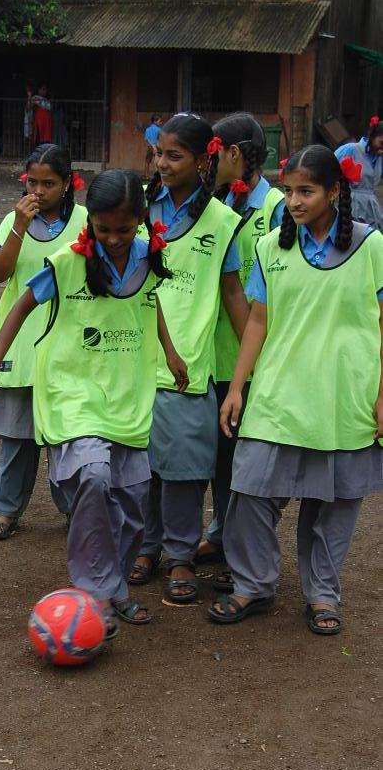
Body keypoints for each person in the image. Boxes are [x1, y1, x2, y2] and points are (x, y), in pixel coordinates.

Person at [0, 170, 188, 638]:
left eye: (123, 230)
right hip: (73, 394)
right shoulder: (67, 263)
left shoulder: (150, 257)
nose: (113, 239)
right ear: (91, 224)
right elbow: (20, 307)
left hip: (127, 397)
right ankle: (94, 592)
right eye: (103, 229)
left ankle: (114, 586)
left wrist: (170, 352)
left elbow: (150, 304)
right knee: (94, 476)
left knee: (131, 503)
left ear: (140, 222)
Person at [209, 145, 383, 634]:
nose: (294, 201)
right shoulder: (271, 248)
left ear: (334, 191)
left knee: (334, 505)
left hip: (344, 397)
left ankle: (323, 594)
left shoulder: (372, 247)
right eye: (288, 191)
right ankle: (254, 584)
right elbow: (257, 322)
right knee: (249, 490)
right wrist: (237, 387)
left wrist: (382, 394)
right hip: (278, 394)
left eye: (306, 191)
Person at [129, 113, 247, 604]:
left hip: (189, 367)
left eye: (174, 156)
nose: (163, 163)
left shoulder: (223, 222)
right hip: (134, 356)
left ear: (202, 160)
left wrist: (255, 364)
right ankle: (145, 547)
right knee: (139, 467)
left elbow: (234, 295)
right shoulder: (136, 205)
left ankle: (180, 555)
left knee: (183, 470)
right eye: (159, 153)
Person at [0, 144, 88, 540]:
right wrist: (18, 227)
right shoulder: (14, 221)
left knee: (66, 436)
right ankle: (5, 510)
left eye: (49, 184)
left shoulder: (86, 221)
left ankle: (76, 508)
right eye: (33, 183)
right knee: (16, 437)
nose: (39, 192)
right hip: (20, 342)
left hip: (68, 342)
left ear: (68, 183)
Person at [197, 112, 285, 588]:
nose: (207, 164)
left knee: (247, 461)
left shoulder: (276, 208)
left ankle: (243, 550)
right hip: (212, 354)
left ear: (233, 154)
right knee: (220, 455)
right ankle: (220, 532)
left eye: (212, 154)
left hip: (252, 359)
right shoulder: (215, 202)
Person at [334, 115, 382, 231]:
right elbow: (328, 171)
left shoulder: (379, 157)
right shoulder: (350, 150)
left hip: (371, 210)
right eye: (381, 142)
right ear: (372, 136)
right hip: (349, 205)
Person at [144, 114, 162, 178]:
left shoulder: (148, 129)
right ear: (155, 121)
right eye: (160, 121)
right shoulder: (159, 130)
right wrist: (155, 146)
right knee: (156, 161)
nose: (161, 123)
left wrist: (152, 145)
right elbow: (160, 139)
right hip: (157, 147)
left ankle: (147, 175)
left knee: (147, 162)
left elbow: (146, 139)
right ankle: (156, 175)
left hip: (150, 147)